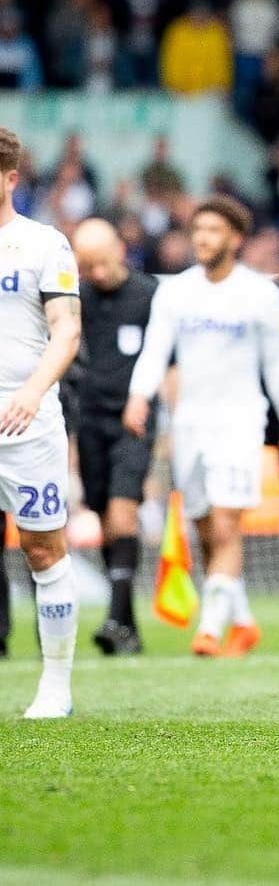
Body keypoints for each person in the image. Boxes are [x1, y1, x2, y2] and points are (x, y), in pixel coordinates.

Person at [124, 196, 279, 657]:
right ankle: (242, 623)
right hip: (189, 424)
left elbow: (276, 365)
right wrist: (139, 397)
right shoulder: (176, 291)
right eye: (198, 230)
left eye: (213, 230)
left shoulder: (261, 294)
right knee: (205, 529)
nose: (202, 238)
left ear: (236, 238)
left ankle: (208, 629)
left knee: (226, 524)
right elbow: (155, 350)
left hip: (240, 421)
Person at [0, 126, 82, 717]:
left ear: (9, 178)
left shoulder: (43, 244)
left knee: (43, 550)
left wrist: (32, 391)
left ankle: (56, 683)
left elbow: (68, 330)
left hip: (25, 423)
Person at [72, 218, 158, 655]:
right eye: (88, 267)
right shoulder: (78, 298)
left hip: (135, 419)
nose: (98, 274)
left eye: (102, 263)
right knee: (105, 518)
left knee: (124, 513)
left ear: (120, 251)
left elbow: (168, 362)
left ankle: (114, 617)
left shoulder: (150, 295)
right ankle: (125, 624)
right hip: (90, 420)